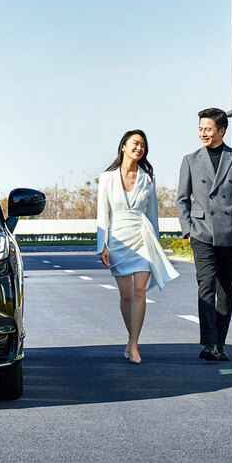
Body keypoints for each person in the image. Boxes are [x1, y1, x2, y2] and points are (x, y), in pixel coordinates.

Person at [176, 108, 232, 362]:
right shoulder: (190, 160)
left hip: (230, 233)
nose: (203, 133)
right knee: (206, 286)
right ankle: (209, 343)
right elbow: (182, 198)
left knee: (225, 289)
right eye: (200, 129)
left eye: (208, 129)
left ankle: (220, 343)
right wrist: (187, 228)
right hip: (201, 232)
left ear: (222, 131)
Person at [96, 129, 179, 365]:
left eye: (143, 145)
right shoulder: (107, 178)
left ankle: (133, 344)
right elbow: (103, 214)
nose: (139, 148)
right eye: (135, 143)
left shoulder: (147, 178)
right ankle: (130, 338)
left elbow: (153, 214)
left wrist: (156, 245)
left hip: (142, 237)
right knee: (126, 296)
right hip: (118, 240)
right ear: (123, 146)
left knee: (140, 291)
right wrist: (102, 245)